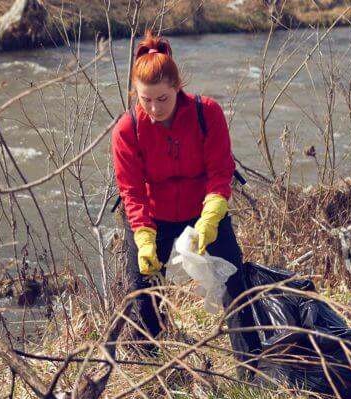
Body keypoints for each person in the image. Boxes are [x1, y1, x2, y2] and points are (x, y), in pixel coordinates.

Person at [111, 31, 261, 369]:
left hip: (204, 208)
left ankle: (251, 367)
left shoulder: (207, 113)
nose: (153, 108)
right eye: (145, 99)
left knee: (234, 280)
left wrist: (210, 218)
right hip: (153, 216)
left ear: (177, 88)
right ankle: (154, 369)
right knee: (142, 290)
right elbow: (131, 191)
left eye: (162, 99)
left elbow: (221, 171)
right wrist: (145, 239)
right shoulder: (127, 129)